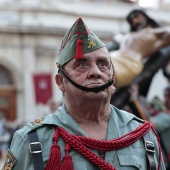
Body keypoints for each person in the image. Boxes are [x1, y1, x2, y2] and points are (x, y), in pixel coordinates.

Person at [2, 18, 165, 170]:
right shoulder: (32, 139)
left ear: (113, 77)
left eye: (103, 64)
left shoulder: (144, 135)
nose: (96, 72)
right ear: (60, 82)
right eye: (82, 64)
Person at [110, 8, 170, 108]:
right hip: (115, 56)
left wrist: (157, 27)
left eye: (137, 16)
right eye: (131, 19)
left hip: (129, 63)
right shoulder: (129, 35)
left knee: (103, 74)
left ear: (145, 16)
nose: (134, 21)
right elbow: (117, 38)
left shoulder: (152, 33)